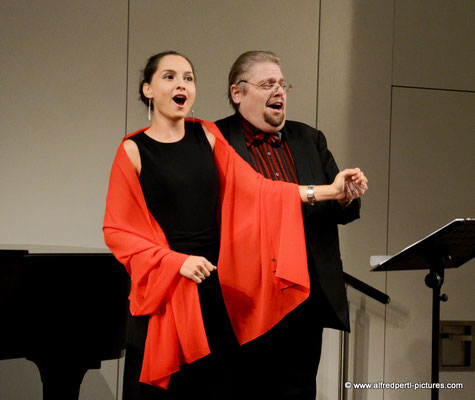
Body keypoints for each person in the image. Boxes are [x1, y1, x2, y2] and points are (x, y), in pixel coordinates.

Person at [103, 51, 367, 400]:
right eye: (169, 77)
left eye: (188, 77)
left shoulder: (208, 136)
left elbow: (259, 191)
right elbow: (119, 231)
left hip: (218, 284)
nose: (181, 83)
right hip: (170, 285)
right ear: (147, 89)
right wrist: (174, 261)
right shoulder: (135, 150)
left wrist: (330, 191)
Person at [215, 50, 368, 399]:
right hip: (246, 296)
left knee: (298, 391)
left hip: (304, 294)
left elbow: (340, 206)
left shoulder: (309, 139)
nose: (279, 91)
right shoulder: (217, 139)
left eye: (282, 84)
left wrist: (345, 194)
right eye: (267, 83)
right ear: (237, 93)